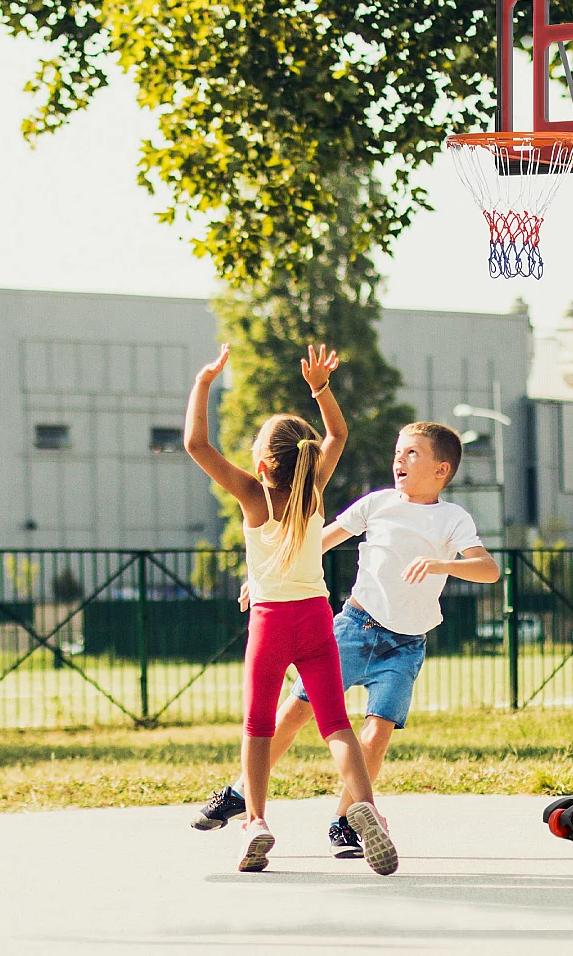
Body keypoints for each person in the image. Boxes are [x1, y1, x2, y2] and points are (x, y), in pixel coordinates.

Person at [190, 421, 499, 858]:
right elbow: (315, 539)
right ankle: (241, 791)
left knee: (377, 732)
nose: (399, 459)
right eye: (398, 450)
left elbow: (488, 569)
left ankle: (346, 820)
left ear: (441, 470)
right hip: (355, 626)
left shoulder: (453, 519)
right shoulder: (377, 504)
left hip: (406, 644)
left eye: (412, 453)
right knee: (297, 713)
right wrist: (264, 575)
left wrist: (441, 564)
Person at [184, 343, 398, 875]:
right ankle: (364, 808)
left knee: (258, 726)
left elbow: (195, 443)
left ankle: (255, 820)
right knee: (336, 725)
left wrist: (204, 382)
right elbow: (339, 436)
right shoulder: (313, 491)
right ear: (303, 458)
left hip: (271, 624)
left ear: (261, 463)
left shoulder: (253, 495)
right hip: (316, 620)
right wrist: (321, 388)